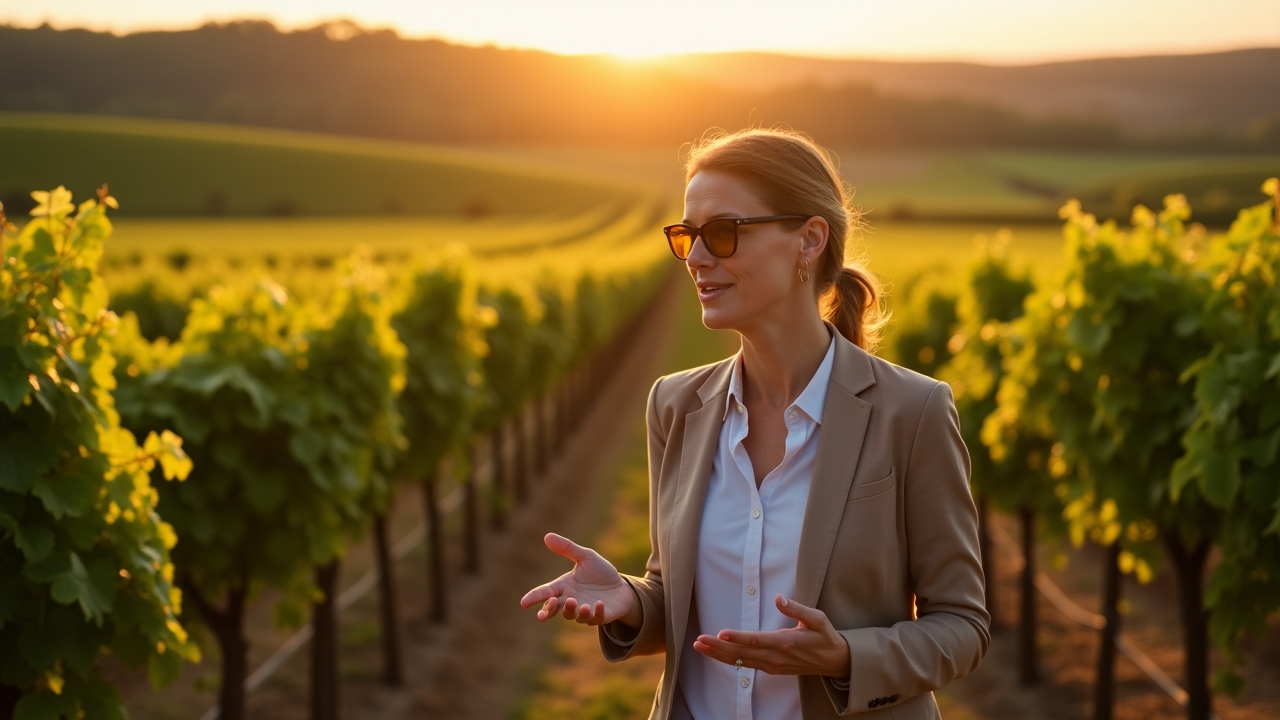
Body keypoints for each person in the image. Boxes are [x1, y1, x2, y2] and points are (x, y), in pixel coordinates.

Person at [519, 128, 989, 719]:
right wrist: (633, 601)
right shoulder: (674, 406)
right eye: (687, 235)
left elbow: (963, 626)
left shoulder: (912, 412)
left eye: (723, 233)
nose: (695, 257)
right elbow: (683, 594)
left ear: (809, 240)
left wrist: (844, 655)